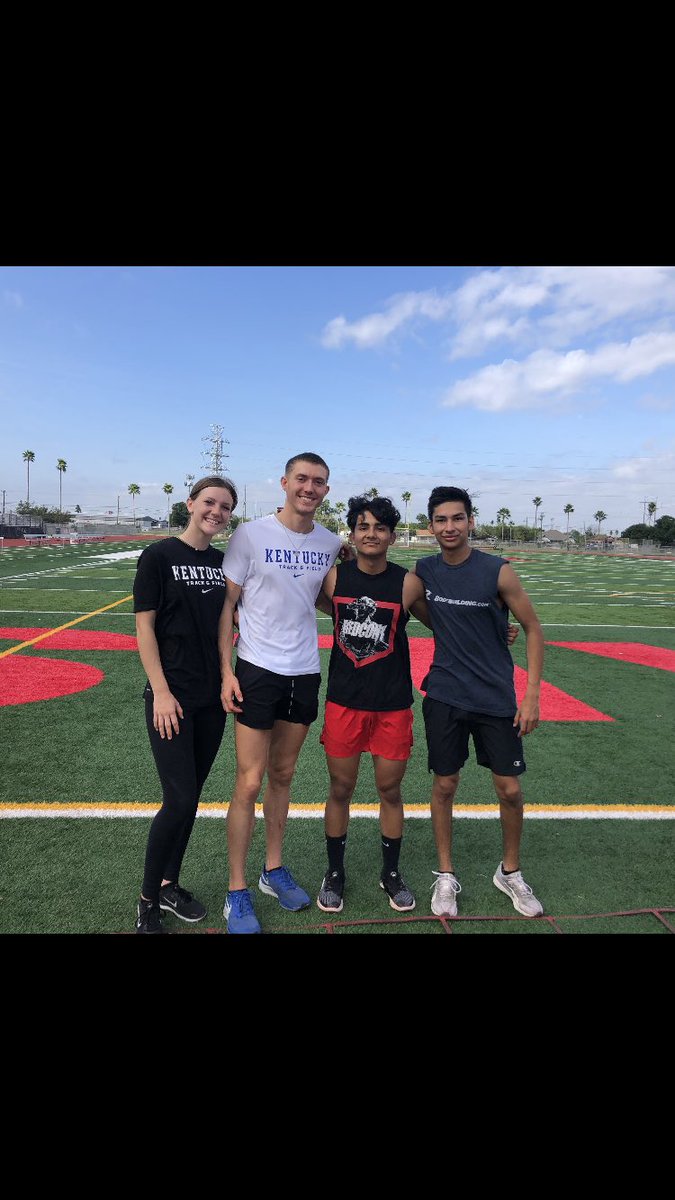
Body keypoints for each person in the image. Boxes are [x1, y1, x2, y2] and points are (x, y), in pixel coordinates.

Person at [219, 453, 344, 934]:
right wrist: (226, 672)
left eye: (318, 482)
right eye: (302, 479)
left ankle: (272, 870)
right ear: (285, 482)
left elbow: (333, 597)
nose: (309, 488)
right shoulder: (250, 534)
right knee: (248, 781)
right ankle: (237, 889)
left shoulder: (331, 543)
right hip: (256, 669)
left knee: (283, 775)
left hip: (304, 671)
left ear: (325, 491)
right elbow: (227, 603)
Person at [414, 485, 544, 919]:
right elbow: (408, 602)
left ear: (471, 521)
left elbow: (532, 628)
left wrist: (531, 695)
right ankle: (446, 875)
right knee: (445, 785)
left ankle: (509, 871)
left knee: (509, 789)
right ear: (430, 525)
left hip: (495, 698)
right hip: (446, 696)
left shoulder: (498, 571)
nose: (449, 527)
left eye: (457, 518)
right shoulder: (425, 570)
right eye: (441, 520)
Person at [133, 475, 238, 934]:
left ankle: (170, 885)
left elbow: (225, 625)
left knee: (191, 799)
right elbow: (145, 629)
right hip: (170, 699)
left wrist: (227, 674)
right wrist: (160, 691)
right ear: (191, 503)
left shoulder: (222, 561)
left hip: (209, 700)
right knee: (177, 800)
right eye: (210, 502)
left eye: (226, 507)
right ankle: (147, 900)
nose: (217, 512)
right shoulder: (158, 556)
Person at [315, 494, 429, 915]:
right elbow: (313, 604)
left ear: (392, 536)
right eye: (363, 526)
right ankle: (335, 872)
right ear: (352, 533)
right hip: (345, 701)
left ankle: (391, 873)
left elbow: (445, 622)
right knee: (340, 788)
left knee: (390, 789)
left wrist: (495, 629)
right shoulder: (332, 578)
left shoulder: (407, 582)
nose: (371, 533)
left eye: (380, 527)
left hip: (392, 704)